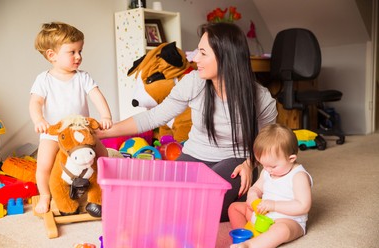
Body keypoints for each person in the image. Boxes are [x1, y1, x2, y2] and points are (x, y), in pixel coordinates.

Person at [96, 22, 277, 222]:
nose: (195, 58)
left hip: (234, 161)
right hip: (195, 156)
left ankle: (234, 205)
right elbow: (153, 116)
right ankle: (232, 207)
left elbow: (268, 142)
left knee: (201, 205)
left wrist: (249, 164)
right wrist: (104, 133)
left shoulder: (260, 98)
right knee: (168, 198)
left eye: (203, 53)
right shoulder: (194, 82)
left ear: (226, 57)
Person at [29, 22, 112, 214]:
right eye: (72, 52)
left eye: (80, 51)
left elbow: (97, 95)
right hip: (54, 132)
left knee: (103, 155)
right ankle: (45, 195)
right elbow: (35, 103)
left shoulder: (82, 77)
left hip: (82, 133)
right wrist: (39, 120)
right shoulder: (44, 79)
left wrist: (105, 115)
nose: (79, 57)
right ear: (52, 55)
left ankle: (100, 190)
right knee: (43, 165)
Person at [228, 123, 313, 248]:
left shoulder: (298, 176)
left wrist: (273, 205)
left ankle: (249, 245)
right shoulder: (268, 171)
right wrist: (253, 197)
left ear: (291, 159)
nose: (267, 169)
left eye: (272, 166)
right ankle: (245, 234)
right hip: (263, 214)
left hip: (287, 220)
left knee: (282, 231)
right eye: (263, 164)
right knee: (235, 208)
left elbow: (303, 206)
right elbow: (256, 188)